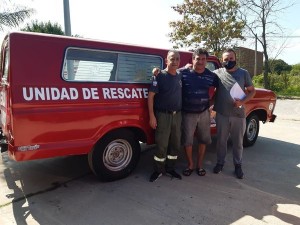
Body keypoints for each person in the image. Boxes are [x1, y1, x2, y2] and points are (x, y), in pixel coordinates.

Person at [213, 48, 256, 179]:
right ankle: (220, 163)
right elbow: (201, 72)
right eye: (226, 59)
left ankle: (238, 165)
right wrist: (187, 66)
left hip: (238, 114)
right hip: (222, 114)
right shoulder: (217, 73)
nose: (228, 61)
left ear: (235, 59)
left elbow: (252, 91)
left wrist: (242, 101)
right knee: (221, 141)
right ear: (222, 60)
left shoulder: (243, 73)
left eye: (231, 58)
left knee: (238, 142)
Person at [180, 48, 218, 177]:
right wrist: (157, 72)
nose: (200, 62)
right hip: (187, 113)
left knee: (203, 139)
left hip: (204, 113)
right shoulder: (183, 73)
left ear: (206, 61)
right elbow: (169, 73)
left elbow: (220, 89)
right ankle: (190, 164)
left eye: (203, 59)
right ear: (193, 59)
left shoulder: (211, 75)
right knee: (187, 140)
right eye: (198, 59)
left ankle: (199, 165)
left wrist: (212, 104)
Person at [148, 50, 183, 182]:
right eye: (172, 59)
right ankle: (158, 170)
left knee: (175, 144)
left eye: (177, 59)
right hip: (163, 116)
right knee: (161, 145)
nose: (174, 62)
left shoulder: (180, 75)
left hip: (178, 115)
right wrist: (152, 116)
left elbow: (187, 68)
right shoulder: (159, 76)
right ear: (166, 60)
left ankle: (170, 168)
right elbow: (151, 97)